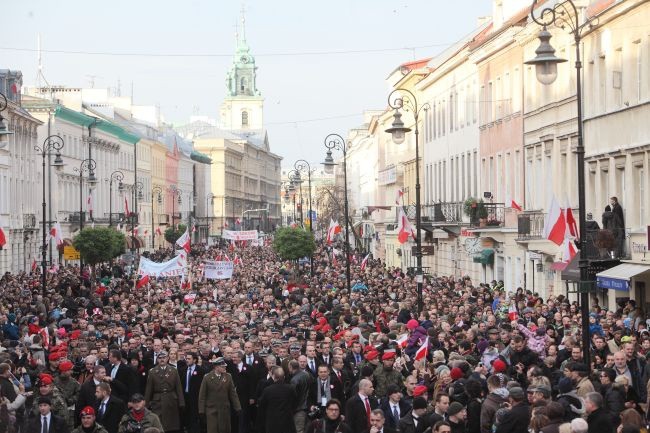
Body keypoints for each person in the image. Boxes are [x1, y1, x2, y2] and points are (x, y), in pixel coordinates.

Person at [143, 350, 185, 433]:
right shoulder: (152, 372)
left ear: (167, 358)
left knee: (171, 426)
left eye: (164, 357)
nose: (162, 359)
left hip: (171, 400)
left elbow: (178, 387)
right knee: (159, 424)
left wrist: (181, 402)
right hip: (158, 401)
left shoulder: (173, 370)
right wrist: (146, 404)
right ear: (157, 359)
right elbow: (148, 390)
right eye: (160, 358)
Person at [198, 356, 241, 433]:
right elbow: (202, 396)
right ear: (216, 367)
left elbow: (233, 394)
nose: (225, 368)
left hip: (224, 410)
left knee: (224, 430)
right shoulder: (207, 378)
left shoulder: (228, 377)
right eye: (222, 366)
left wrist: (238, 408)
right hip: (212, 410)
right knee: (213, 430)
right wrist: (201, 411)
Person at [257, 366, 298, 433]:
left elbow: (261, 405)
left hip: (272, 423)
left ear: (273, 376)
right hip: (287, 422)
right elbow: (295, 403)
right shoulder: (290, 389)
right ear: (284, 376)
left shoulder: (268, 390)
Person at [178, 352, 205, 433]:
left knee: (194, 419)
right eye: (186, 358)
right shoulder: (182, 370)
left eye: (189, 359)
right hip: (185, 398)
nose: (187, 360)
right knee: (186, 418)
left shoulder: (200, 370)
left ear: (194, 360)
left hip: (195, 398)